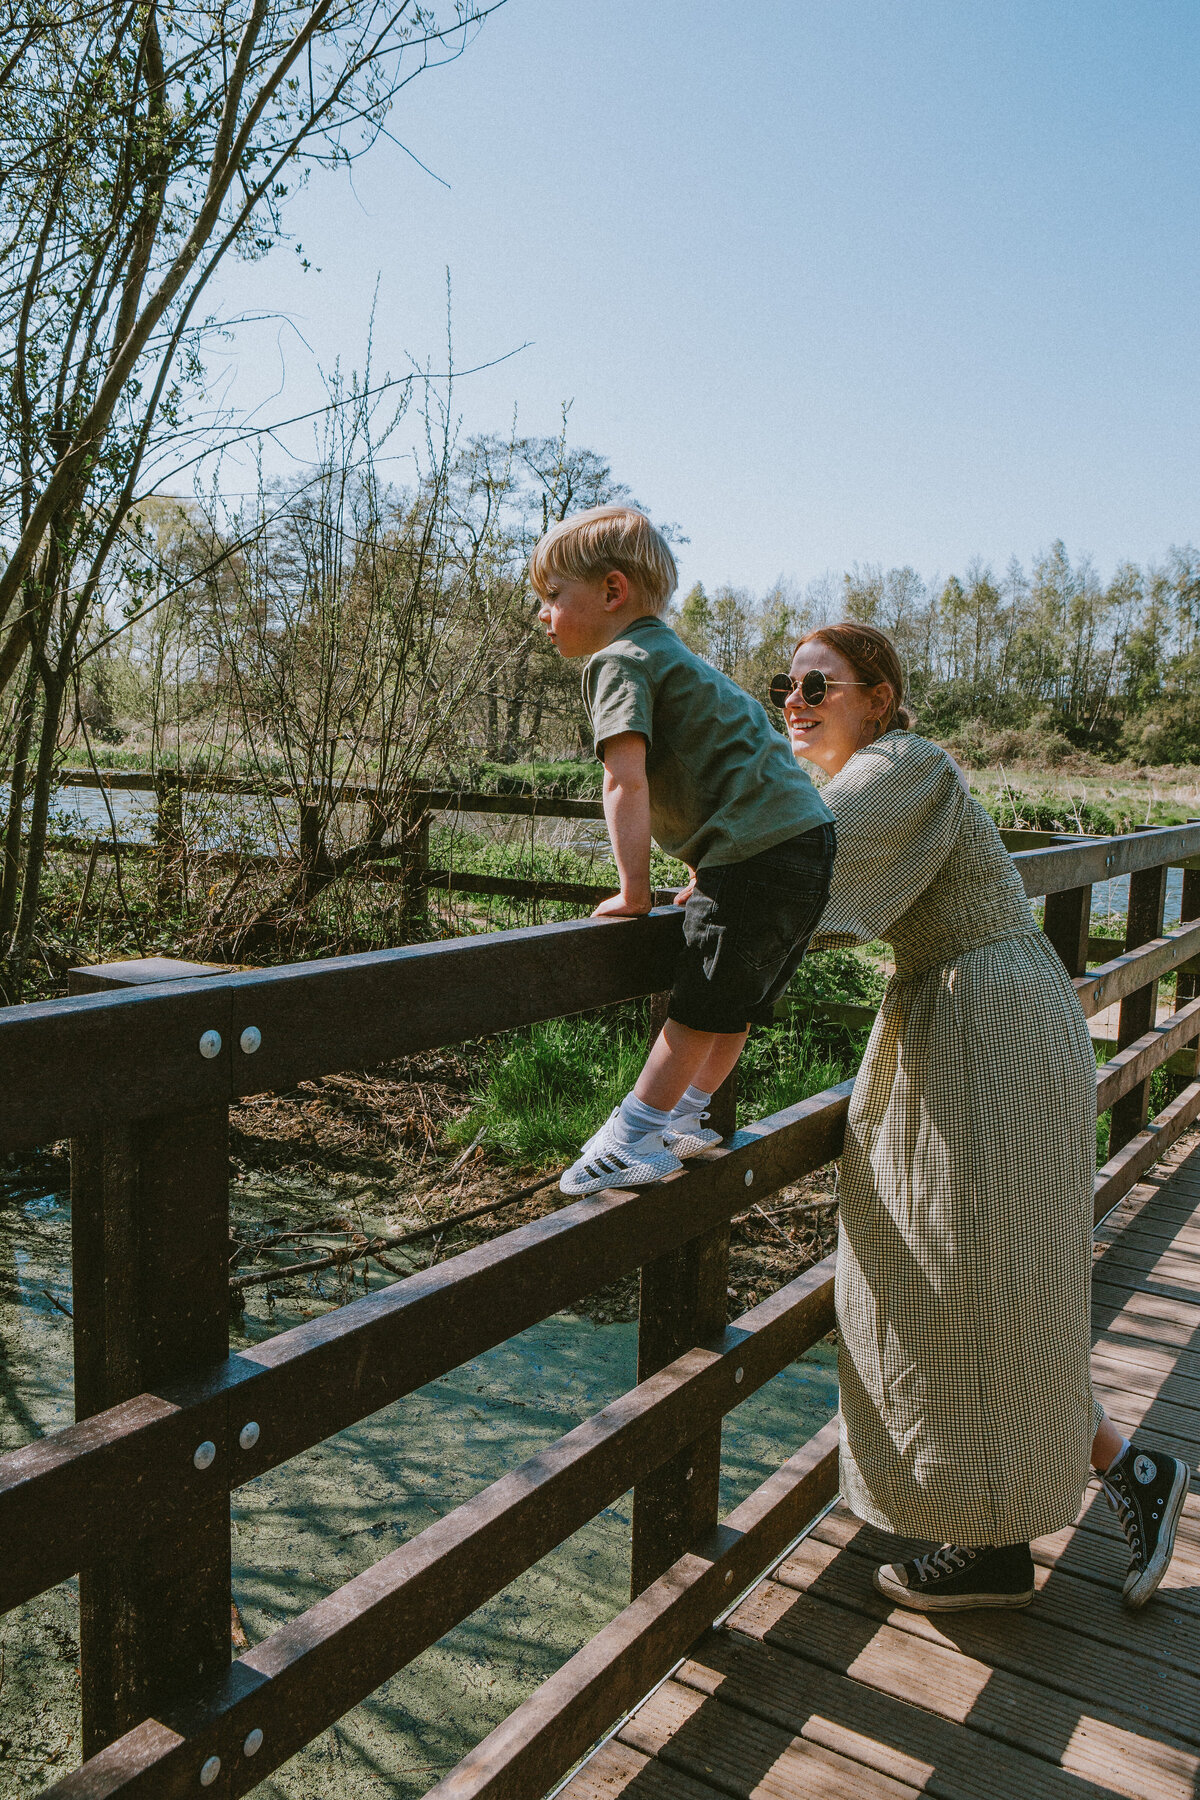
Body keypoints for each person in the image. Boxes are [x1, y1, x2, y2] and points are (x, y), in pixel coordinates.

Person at [775, 621, 1189, 1613]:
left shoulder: (900, 762)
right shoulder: (858, 774)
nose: (793, 700)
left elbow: (811, 883)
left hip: (986, 1026)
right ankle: (1058, 1511)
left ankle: (1033, 1519)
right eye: (783, 686)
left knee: (974, 1280)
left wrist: (720, 890)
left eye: (816, 685)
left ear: (877, 696)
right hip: (954, 1019)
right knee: (965, 1286)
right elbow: (796, 861)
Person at [532, 504, 835, 1197]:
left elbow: (623, 778)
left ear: (611, 592)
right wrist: (710, 861)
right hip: (805, 842)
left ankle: (630, 1134)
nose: (544, 615)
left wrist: (634, 891)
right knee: (735, 1002)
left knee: (699, 1001)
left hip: (761, 849)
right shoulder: (677, 659)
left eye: (553, 597)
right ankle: (686, 1116)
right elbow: (728, 760)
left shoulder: (618, 661)